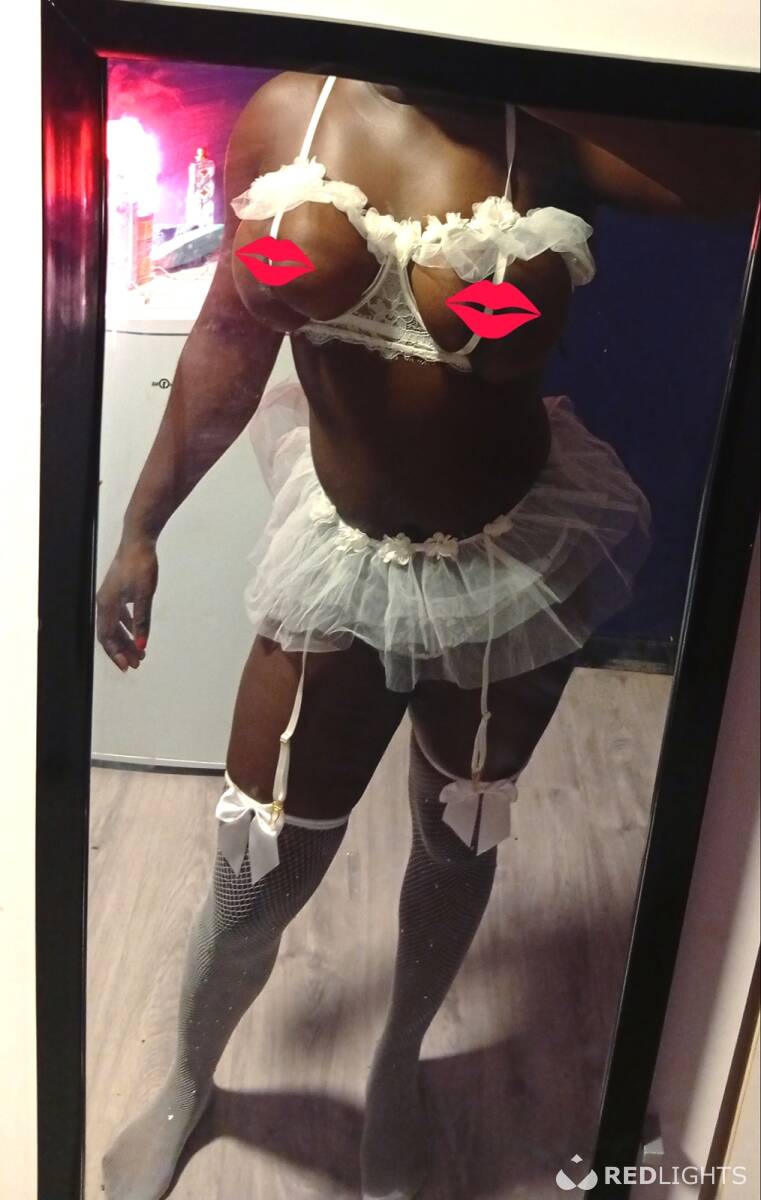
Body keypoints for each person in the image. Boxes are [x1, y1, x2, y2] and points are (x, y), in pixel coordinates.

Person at [96, 71, 755, 1200]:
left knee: (457, 841)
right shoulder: (288, 114)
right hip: (338, 565)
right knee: (259, 867)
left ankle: (397, 1067)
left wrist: (571, 56)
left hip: (512, 560)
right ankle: (186, 1083)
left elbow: (731, 172)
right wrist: (141, 526)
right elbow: (228, 336)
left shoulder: (547, 126)